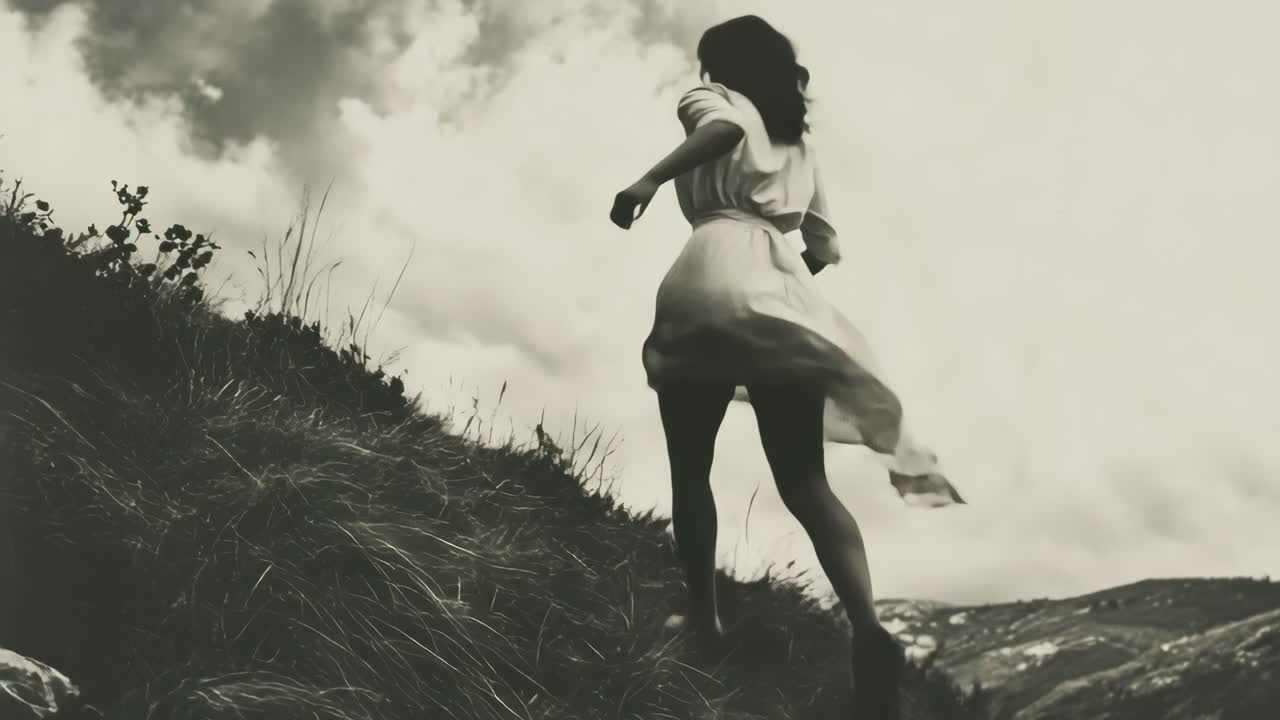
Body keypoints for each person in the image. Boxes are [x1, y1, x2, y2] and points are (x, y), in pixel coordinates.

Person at [609, 14, 965, 719]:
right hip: (779, 287)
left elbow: (723, 134)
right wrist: (774, 283)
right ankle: (867, 626)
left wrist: (646, 182)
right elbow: (825, 248)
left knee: (691, 467)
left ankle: (705, 624)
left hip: (706, 276)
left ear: (719, 65)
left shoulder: (710, 102)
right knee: (806, 482)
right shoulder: (799, 145)